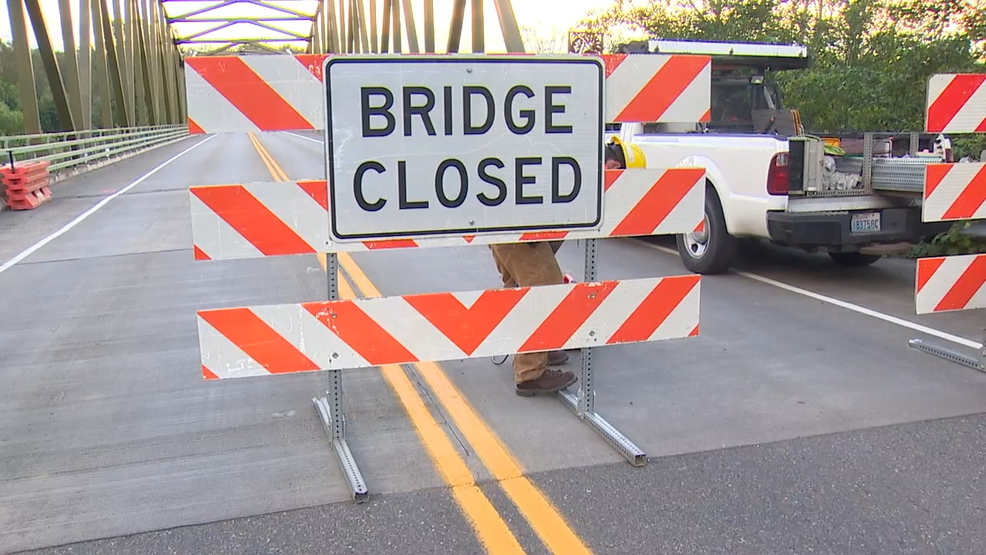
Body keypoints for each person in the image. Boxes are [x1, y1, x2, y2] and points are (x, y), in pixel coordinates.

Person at [489, 137, 643, 396]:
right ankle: (530, 372)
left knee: (520, 287)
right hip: (518, 228)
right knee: (544, 288)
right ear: (615, 166)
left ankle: (538, 348)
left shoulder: (572, 158)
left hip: (506, 222)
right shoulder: (578, 169)